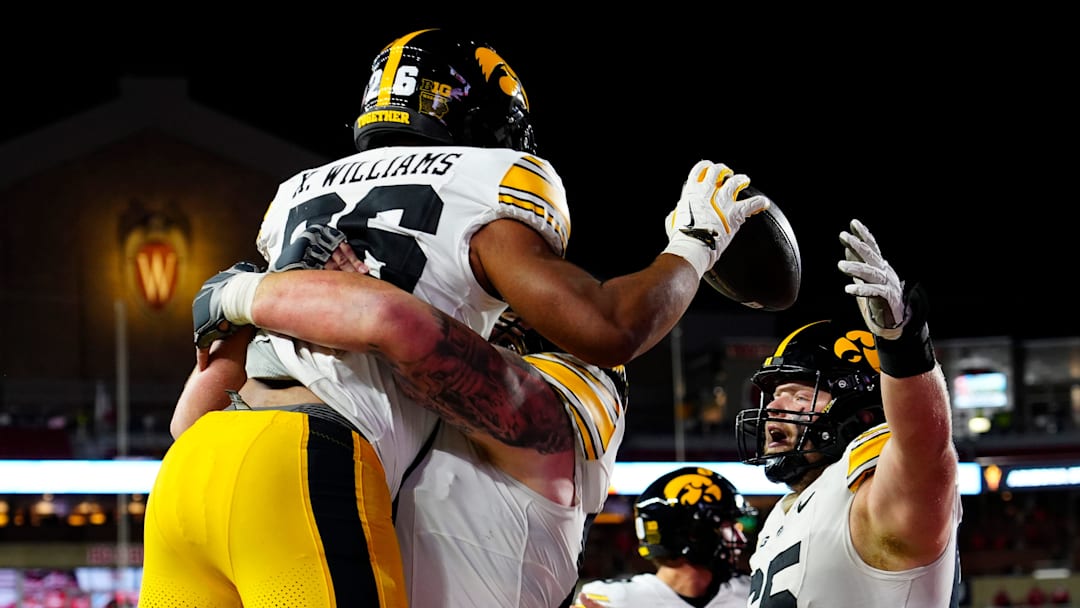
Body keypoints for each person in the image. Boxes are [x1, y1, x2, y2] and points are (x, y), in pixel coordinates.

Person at [143, 26, 770, 608]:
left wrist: (243, 298)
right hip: (307, 459)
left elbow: (189, 421)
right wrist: (692, 245)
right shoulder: (481, 185)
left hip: (191, 470)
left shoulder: (298, 201)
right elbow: (607, 329)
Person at [733, 219, 963, 606]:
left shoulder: (875, 495)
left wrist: (902, 345)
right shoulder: (783, 515)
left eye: (798, 394)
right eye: (774, 394)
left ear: (860, 407)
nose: (773, 406)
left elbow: (925, 446)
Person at [575, 466, 755, 608]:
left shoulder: (752, 592)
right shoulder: (610, 599)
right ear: (694, 534)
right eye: (728, 525)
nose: (740, 538)